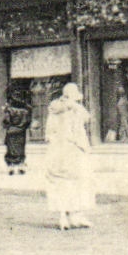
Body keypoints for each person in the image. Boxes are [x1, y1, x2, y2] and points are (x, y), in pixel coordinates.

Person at [44, 82, 94, 230]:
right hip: (72, 149)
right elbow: (86, 118)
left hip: (59, 150)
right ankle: (73, 215)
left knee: (62, 183)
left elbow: (49, 133)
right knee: (77, 181)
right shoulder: (73, 109)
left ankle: (65, 216)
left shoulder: (55, 109)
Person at [2, 85, 31, 175]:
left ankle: (11, 167)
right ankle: (21, 166)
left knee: (11, 150)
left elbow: (6, 121)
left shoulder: (10, 111)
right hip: (21, 132)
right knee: (20, 149)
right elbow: (27, 122)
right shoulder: (25, 111)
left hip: (11, 132)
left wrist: (7, 126)